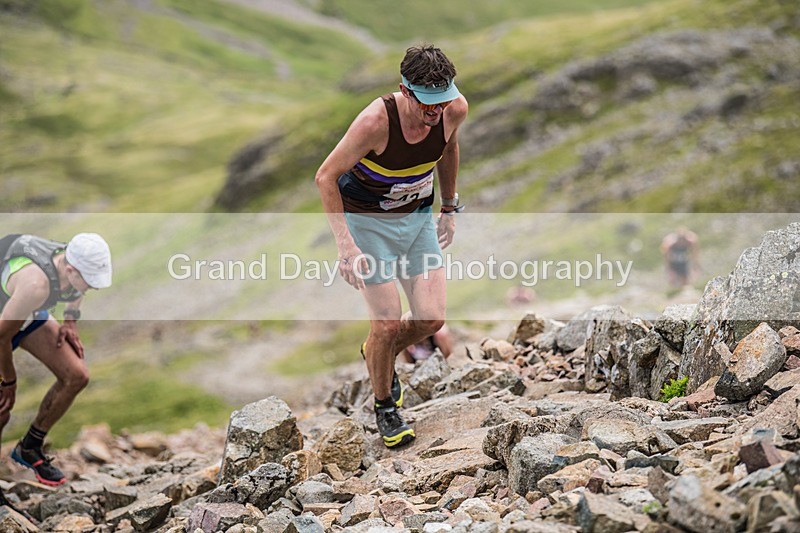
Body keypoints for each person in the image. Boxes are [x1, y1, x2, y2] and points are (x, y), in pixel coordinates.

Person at [316, 44, 467, 448]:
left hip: (417, 220)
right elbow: (325, 177)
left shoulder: (454, 109)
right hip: (367, 225)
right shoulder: (375, 122)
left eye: (443, 99)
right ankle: (385, 405)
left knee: (432, 319)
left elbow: (448, 148)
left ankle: (377, 353)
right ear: (405, 90)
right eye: (428, 103)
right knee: (386, 323)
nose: (437, 110)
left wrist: (449, 207)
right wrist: (346, 247)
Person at [0, 233, 112, 486]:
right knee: (2, 411)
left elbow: (76, 289)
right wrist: (9, 382)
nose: (92, 287)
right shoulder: (35, 285)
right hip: (4, 325)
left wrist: (70, 320)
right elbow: (2, 337)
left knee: (76, 375)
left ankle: (30, 447)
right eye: (89, 281)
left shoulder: (69, 262)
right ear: (71, 269)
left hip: (27, 314)